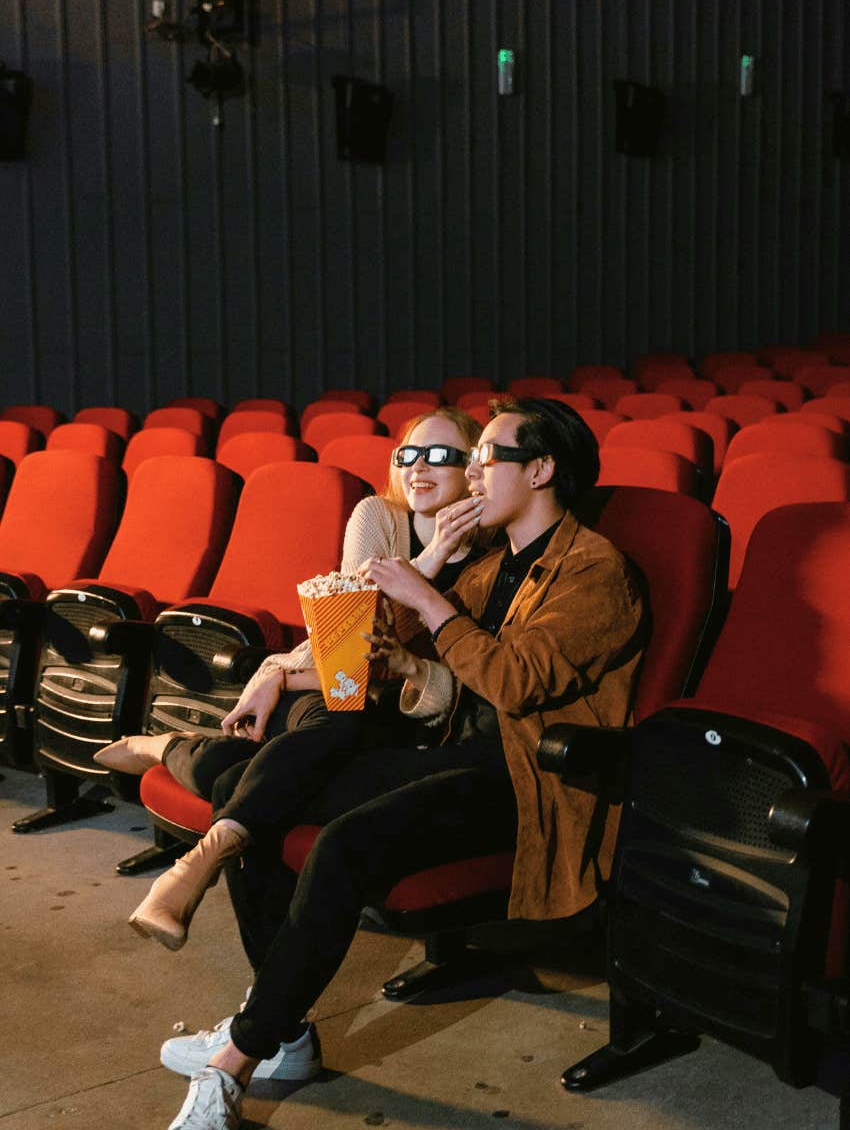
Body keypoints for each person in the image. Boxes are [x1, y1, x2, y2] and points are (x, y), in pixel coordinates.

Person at [159, 397, 647, 1130]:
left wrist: (428, 599)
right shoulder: (493, 564)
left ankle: (239, 1057)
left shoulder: (597, 571)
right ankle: (283, 1032)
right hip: (455, 753)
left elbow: (517, 682)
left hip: (529, 780)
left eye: (489, 457)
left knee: (342, 843)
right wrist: (430, 565)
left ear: (542, 470)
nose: (474, 473)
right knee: (262, 802)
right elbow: (369, 642)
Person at [104, 409, 487, 954]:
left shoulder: (496, 553)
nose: (419, 467)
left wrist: (280, 676)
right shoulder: (377, 515)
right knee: (339, 720)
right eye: (408, 455)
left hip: (400, 711)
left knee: (231, 774)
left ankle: (171, 748)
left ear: (474, 468)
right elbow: (349, 634)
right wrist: (279, 672)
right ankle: (204, 858)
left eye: (441, 456)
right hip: (324, 685)